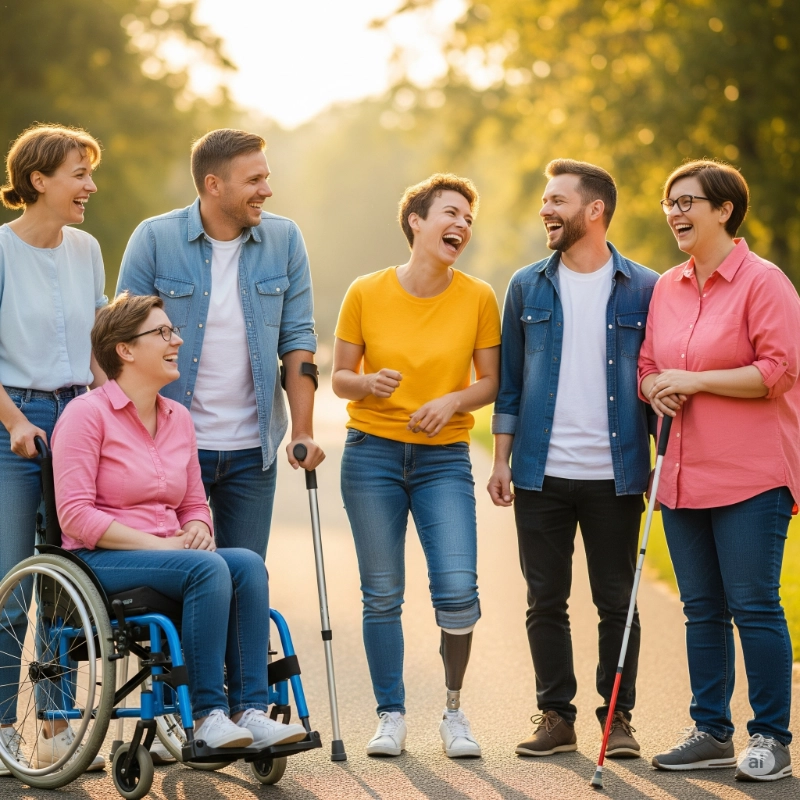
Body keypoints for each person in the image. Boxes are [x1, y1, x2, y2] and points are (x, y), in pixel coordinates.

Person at [51, 292, 309, 753]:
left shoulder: (178, 419)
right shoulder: (85, 416)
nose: (177, 340)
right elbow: (74, 514)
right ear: (125, 350)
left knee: (246, 564)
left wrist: (199, 529)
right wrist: (161, 546)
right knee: (207, 568)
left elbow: (193, 503)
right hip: (99, 562)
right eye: (163, 333)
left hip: (170, 556)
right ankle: (209, 713)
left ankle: (248, 709)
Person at [488, 160, 659, 759]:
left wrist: (665, 453)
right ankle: (555, 716)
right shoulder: (526, 286)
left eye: (557, 199)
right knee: (545, 600)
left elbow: (656, 382)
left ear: (595, 210)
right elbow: (510, 384)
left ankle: (619, 721)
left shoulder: (647, 287)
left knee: (618, 602)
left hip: (616, 476)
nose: (545, 210)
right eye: (544, 199)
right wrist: (502, 460)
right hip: (540, 472)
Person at [332, 174, 500, 758]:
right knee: (382, 593)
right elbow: (339, 379)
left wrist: (453, 400)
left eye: (469, 220)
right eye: (451, 213)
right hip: (371, 453)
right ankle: (390, 714)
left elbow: (492, 383)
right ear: (417, 222)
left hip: (444, 459)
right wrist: (368, 383)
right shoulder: (366, 291)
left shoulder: (478, 296)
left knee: (457, 588)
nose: (462, 225)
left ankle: (453, 710)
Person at [642, 161, 800, 782]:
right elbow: (649, 363)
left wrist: (695, 379)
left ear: (724, 210)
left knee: (754, 604)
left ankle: (772, 739)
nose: (676, 213)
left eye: (687, 202)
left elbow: (778, 371)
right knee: (701, 607)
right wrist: (655, 384)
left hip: (752, 476)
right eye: (669, 203)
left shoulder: (765, 283)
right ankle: (710, 730)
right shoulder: (666, 287)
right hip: (681, 473)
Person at [116, 128, 323, 560]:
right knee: (176, 578)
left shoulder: (284, 240)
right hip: (169, 446)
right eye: (253, 181)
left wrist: (302, 431)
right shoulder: (155, 239)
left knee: (245, 577)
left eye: (266, 177)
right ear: (214, 185)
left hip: (252, 451)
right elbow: (121, 341)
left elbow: (298, 341)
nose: (266, 190)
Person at [0, 123, 108, 772]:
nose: (90, 186)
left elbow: (97, 340)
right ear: (38, 180)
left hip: (78, 416)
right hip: (14, 415)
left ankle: (61, 724)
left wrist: (112, 416)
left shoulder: (87, 247)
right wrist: (14, 420)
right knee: (13, 583)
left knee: (71, 578)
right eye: (79, 173)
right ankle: (4, 727)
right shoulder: (0, 251)